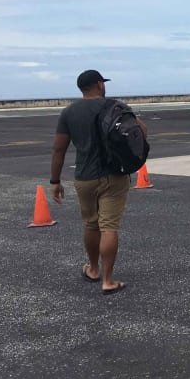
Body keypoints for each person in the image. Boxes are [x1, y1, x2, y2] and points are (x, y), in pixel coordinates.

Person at [50, 70, 146, 295]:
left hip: (85, 177)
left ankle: (93, 270)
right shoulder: (117, 106)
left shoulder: (69, 112)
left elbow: (59, 149)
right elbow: (142, 130)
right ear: (100, 85)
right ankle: (108, 280)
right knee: (109, 226)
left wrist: (55, 181)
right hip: (115, 175)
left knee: (91, 224)